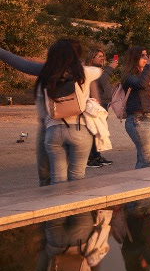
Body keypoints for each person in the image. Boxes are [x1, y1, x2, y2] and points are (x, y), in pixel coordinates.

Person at [38, 39, 108, 183]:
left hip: (54, 129)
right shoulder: (84, 73)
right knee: (77, 177)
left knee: (57, 178)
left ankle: (59, 204)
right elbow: (98, 70)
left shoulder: (46, 74)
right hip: (79, 128)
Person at [1, 45, 53, 185]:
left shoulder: (47, 70)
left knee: (46, 173)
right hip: (70, 126)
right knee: (67, 175)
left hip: (49, 125)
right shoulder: (79, 73)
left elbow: (22, 64)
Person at [86, 48, 116, 168]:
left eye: (103, 56)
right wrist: (110, 68)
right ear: (92, 57)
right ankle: (90, 158)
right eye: (99, 56)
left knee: (99, 131)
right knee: (94, 131)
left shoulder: (98, 70)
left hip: (103, 103)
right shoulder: (90, 70)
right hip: (95, 104)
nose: (102, 58)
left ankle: (96, 156)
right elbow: (102, 79)